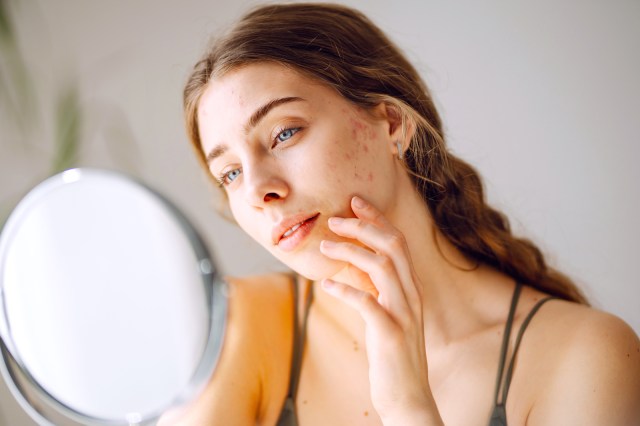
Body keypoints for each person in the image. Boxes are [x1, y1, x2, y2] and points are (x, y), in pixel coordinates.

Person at [167, 3, 640, 425]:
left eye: (284, 134)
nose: (257, 191)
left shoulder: (584, 357)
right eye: (229, 173)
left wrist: (409, 407)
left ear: (391, 123)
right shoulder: (245, 323)